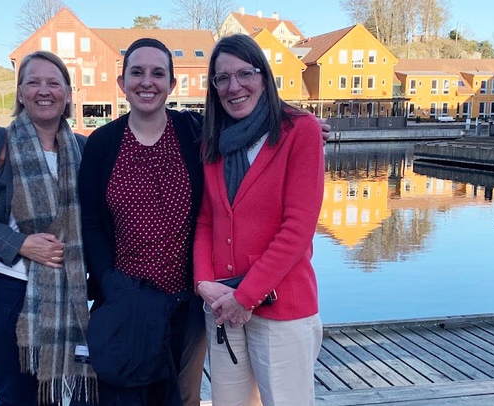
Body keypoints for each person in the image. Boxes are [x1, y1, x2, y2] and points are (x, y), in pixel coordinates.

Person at [0, 50, 95, 406]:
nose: (45, 90)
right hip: (5, 294)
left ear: (68, 94)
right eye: (34, 82)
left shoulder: (84, 149)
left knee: (76, 395)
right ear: (20, 93)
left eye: (54, 82)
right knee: (19, 396)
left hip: (69, 293)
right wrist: (21, 244)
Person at [194, 34, 325, 406]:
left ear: (264, 77)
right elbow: (207, 220)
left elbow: (297, 230)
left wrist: (246, 296)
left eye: (244, 74)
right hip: (223, 304)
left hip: (281, 307)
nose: (234, 87)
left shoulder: (300, 131)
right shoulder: (213, 142)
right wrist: (204, 281)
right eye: (222, 78)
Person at [78, 38, 208, 406]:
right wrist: (110, 282)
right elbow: (91, 223)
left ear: (172, 84)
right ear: (122, 83)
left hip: (185, 304)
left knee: (181, 398)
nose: (146, 82)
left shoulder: (193, 132)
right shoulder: (102, 144)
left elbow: (249, 112)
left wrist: (298, 122)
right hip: (124, 302)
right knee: (123, 395)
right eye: (137, 72)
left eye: (157, 73)